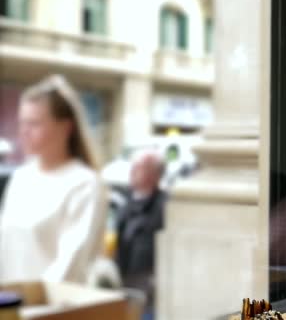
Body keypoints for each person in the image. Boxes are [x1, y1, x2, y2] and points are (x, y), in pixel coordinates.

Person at [0, 75, 107, 284]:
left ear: (66, 127)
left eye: (34, 123)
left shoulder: (84, 184)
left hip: (54, 310)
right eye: (22, 123)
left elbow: (70, 266)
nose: (24, 131)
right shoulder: (21, 177)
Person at [115, 151, 167, 316]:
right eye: (133, 166)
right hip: (124, 277)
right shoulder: (126, 200)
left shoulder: (164, 205)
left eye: (140, 167)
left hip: (149, 283)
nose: (133, 170)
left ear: (155, 175)